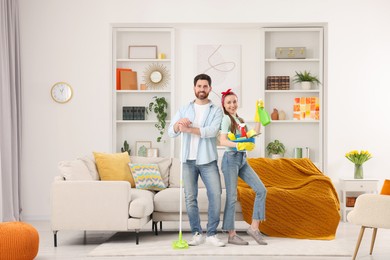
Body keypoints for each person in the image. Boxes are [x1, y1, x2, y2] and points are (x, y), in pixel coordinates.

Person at [168, 74, 225, 247]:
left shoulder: (216, 110)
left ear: (210, 88)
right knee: (190, 197)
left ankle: (212, 234)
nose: (202, 89)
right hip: (188, 160)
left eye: (205, 86)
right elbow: (171, 131)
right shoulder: (184, 109)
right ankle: (196, 233)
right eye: (199, 86)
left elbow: (212, 131)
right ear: (194, 88)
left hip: (208, 160)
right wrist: (179, 124)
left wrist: (189, 129)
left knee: (215, 195)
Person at [219, 88, 268, 246]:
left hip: (242, 159)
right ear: (224, 105)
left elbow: (253, 134)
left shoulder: (240, 119)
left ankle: (254, 228)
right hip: (230, 159)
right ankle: (231, 234)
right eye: (229, 102)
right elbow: (222, 141)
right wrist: (238, 146)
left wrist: (259, 115)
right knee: (232, 197)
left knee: (261, 190)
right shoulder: (226, 119)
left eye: (234, 101)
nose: (232, 105)